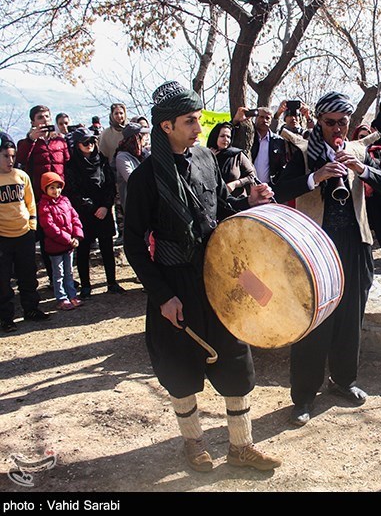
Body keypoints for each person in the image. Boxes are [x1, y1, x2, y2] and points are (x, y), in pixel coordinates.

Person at [123, 81, 280, 472]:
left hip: (219, 279)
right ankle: (193, 443)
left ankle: (241, 447)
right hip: (174, 284)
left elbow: (220, 209)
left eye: (198, 119)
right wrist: (163, 296)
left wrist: (248, 202)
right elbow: (134, 245)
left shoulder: (207, 159)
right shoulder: (144, 178)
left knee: (236, 362)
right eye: (190, 121)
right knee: (180, 368)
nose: (199, 128)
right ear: (166, 126)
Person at [274, 91, 381, 427]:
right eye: (330, 123)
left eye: (343, 122)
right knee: (313, 320)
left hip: (354, 245)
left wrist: (362, 169)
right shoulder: (304, 152)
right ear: (319, 121)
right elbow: (280, 190)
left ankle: (343, 380)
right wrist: (316, 177)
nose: (337, 128)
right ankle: (303, 396)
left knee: (349, 318)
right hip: (315, 248)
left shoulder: (358, 150)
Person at [64, 128, 123, 299]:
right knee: (83, 250)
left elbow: (110, 185)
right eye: (85, 142)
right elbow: (73, 191)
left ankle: (112, 282)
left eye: (91, 141)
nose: (89, 145)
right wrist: (91, 208)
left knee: (107, 248)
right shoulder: (72, 166)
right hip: (84, 214)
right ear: (77, 145)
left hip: (103, 212)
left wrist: (105, 206)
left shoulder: (102, 161)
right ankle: (86, 286)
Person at [0, 134, 49, 332]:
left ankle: (31, 309)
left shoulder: (21, 176)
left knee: (28, 275)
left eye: (13, 156)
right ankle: (5, 318)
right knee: (3, 281)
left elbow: (30, 202)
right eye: (5, 156)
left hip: (24, 234)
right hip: (3, 237)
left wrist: (32, 225)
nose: (10, 160)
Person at [17, 105, 71, 284]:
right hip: (40, 198)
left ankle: (67, 278)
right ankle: (53, 277)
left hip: (61, 197)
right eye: (40, 117)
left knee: (65, 233)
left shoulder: (59, 141)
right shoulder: (27, 143)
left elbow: (68, 164)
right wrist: (31, 140)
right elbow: (19, 161)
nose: (45, 120)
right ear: (33, 121)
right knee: (47, 237)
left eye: (47, 116)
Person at [38, 172, 83, 311]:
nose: (56, 191)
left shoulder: (65, 201)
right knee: (58, 274)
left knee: (69, 272)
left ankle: (72, 295)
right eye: (52, 188)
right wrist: (68, 239)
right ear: (45, 189)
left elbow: (75, 218)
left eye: (58, 187)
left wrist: (76, 236)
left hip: (69, 245)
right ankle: (61, 298)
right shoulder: (44, 205)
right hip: (56, 246)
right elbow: (50, 227)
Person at [354, 123, 381, 267]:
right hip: (359, 198)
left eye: (367, 136)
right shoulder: (352, 152)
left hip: (377, 198)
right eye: (361, 136)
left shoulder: (379, 152)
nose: (364, 139)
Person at [230, 106, 290, 188]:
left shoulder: (278, 141)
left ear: (271, 121)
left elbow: (282, 166)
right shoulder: (247, 136)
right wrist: (235, 121)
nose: (264, 120)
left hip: (268, 187)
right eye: (261, 117)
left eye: (267, 118)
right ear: (255, 118)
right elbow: (228, 135)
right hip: (247, 186)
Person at [207, 122, 257, 198]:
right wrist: (210, 159)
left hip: (237, 199)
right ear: (215, 137)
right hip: (214, 199)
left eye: (228, 137)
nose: (226, 139)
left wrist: (235, 184)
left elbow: (252, 176)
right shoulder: (206, 155)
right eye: (222, 136)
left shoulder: (237, 155)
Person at [114, 122, 151, 214]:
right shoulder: (122, 158)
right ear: (136, 139)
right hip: (133, 207)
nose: (146, 138)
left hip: (147, 203)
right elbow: (132, 179)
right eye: (143, 135)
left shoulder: (144, 153)